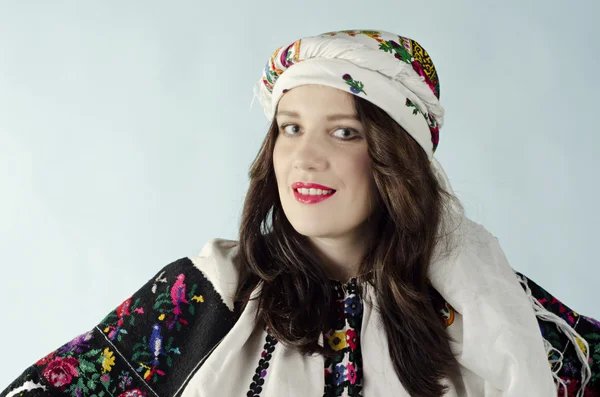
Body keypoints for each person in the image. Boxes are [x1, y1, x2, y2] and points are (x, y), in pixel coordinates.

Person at [1, 29, 598, 397]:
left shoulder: (488, 304)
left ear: (396, 158)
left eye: (343, 133)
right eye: (290, 129)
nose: (305, 158)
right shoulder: (208, 295)